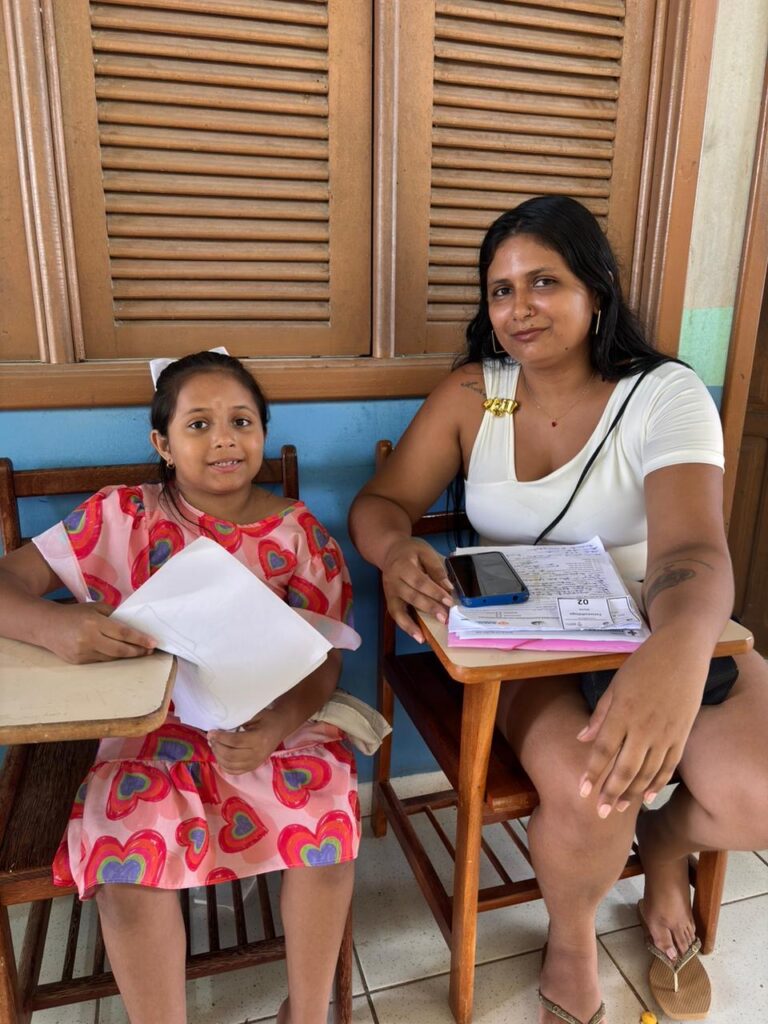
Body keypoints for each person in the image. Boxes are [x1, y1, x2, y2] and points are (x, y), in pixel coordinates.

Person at [348, 196, 768, 1024]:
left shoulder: (666, 394)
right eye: (501, 290)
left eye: (544, 282)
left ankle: (666, 844)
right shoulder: (476, 393)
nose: (519, 308)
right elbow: (381, 503)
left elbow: (691, 551)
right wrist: (394, 550)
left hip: (667, 624)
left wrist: (675, 659)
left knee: (757, 791)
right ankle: (572, 938)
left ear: (597, 290)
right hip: (533, 646)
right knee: (591, 791)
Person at [0, 350, 361, 1024]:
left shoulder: (300, 534)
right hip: (149, 729)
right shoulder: (120, 517)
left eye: (241, 421)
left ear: (263, 431)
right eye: (198, 424)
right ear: (162, 444)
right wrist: (54, 626)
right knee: (127, 855)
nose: (224, 439)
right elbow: (6, 583)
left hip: (270, 723)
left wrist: (275, 728)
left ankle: (308, 1013)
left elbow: (326, 661)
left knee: (328, 821)